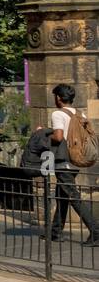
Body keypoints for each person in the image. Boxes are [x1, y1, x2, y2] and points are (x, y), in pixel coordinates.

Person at [45, 83, 98, 245]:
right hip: (76, 162)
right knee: (61, 196)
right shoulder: (79, 113)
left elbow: (59, 137)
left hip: (64, 163)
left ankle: (96, 231)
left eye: (55, 97)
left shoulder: (58, 114)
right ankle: (55, 232)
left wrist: (44, 135)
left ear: (59, 98)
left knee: (74, 197)